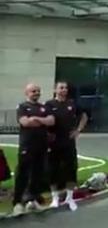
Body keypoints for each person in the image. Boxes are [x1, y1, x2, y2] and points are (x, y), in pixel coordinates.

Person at [45, 81, 89, 211]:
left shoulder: (72, 103)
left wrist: (78, 130)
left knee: (70, 169)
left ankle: (69, 198)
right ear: (55, 90)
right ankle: (55, 198)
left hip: (68, 143)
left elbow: (84, 116)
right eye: (61, 88)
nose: (64, 90)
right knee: (53, 170)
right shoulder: (49, 104)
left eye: (66, 88)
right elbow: (45, 120)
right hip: (53, 144)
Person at [13, 83, 54, 215]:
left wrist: (35, 119)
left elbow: (51, 121)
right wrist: (42, 121)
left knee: (38, 174)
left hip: (41, 146)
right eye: (33, 91)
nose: (36, 93)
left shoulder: (44, 107)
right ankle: (18, 203)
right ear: (27, 93)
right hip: (27, 145)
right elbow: (25, 122)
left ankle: (33, 201)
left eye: (38, 91)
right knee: (23, 174)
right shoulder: (22, 107)